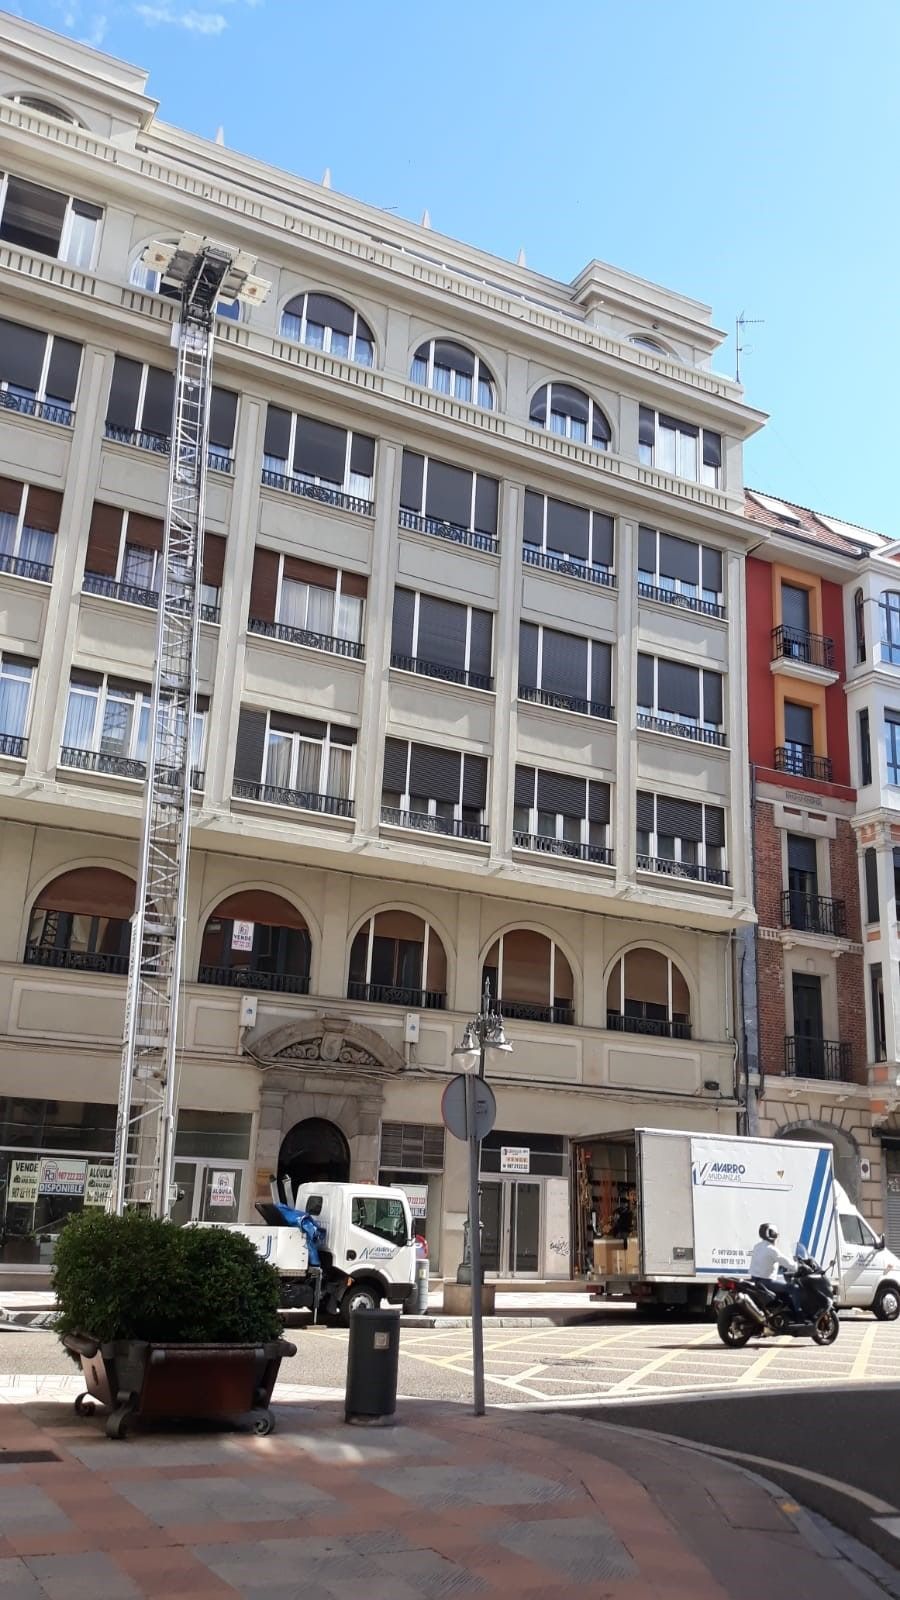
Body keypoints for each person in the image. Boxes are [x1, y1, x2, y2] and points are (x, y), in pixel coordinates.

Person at [749, 1223, 803, 1317]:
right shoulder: (772, 1249)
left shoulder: (757, 1246)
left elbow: (766, 1261)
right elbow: (786, 1261)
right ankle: (799, 1315)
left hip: (754, 1280)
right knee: (794, 1288)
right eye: (776, 1235)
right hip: (767, 1282)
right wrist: (798, 1266)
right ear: (773, 1235)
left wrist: (780, 1266)